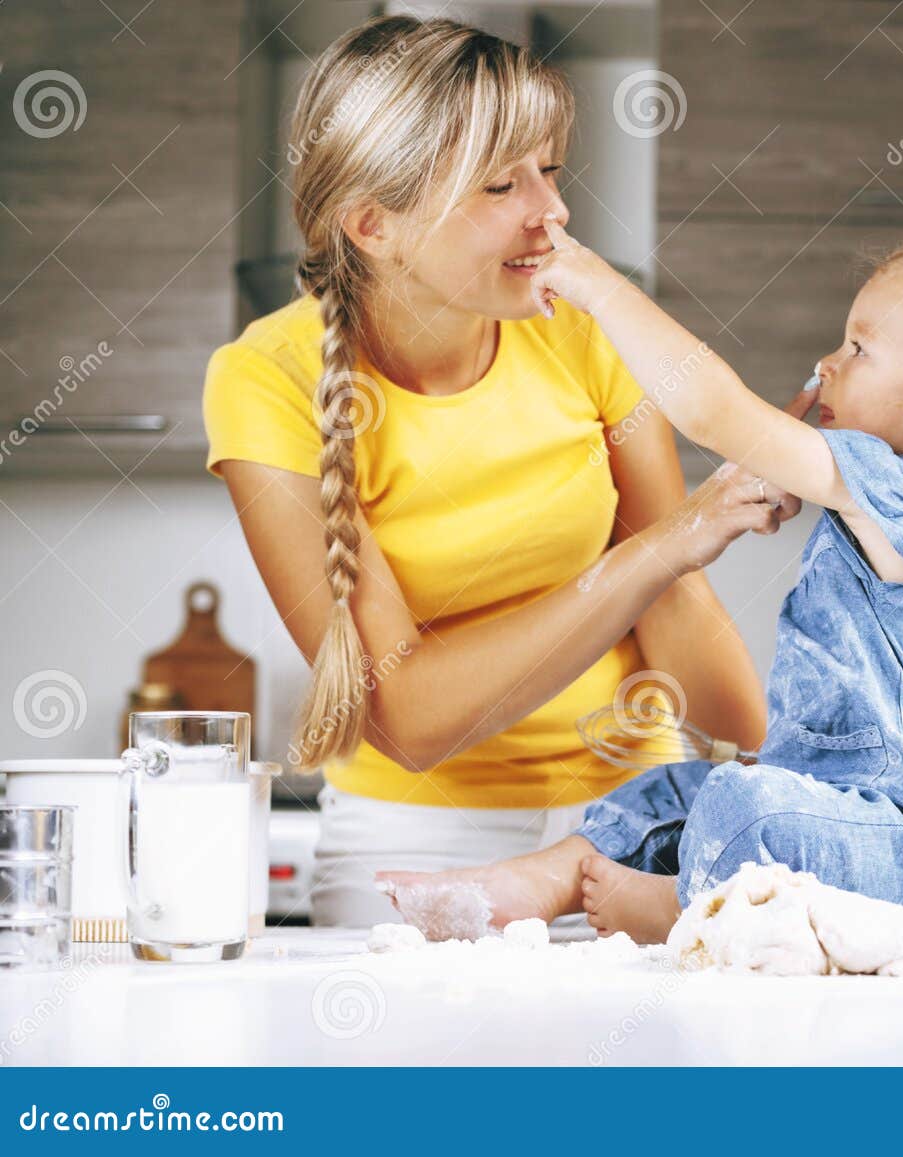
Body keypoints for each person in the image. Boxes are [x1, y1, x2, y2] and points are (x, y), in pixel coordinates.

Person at [203, 15, 799, 927]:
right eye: (500, 183)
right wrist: (665, 546)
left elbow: (679, 602)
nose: (551, 211)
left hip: (628, 833)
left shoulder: (581, 329)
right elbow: (405, 715)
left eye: (549, 170)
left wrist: (798, 798)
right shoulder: (267, 380)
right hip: (411, 847)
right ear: (374, 223)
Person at [380, 202, 903, 940]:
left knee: (741, 803)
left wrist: (595, 285)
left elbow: (714, 410)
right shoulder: (882, 506)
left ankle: (687, 907)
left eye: (858, 349)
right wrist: (777, 456)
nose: (826, 365)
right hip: (836, 819)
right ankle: (548, 874)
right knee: (675, 784)